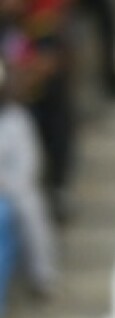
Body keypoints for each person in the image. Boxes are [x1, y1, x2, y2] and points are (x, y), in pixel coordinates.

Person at [0, 59, 58, 297]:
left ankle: (42, 276)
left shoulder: (17, 120)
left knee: (30, 212)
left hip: (13, 192)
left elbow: (29, 167)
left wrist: (4, 184)